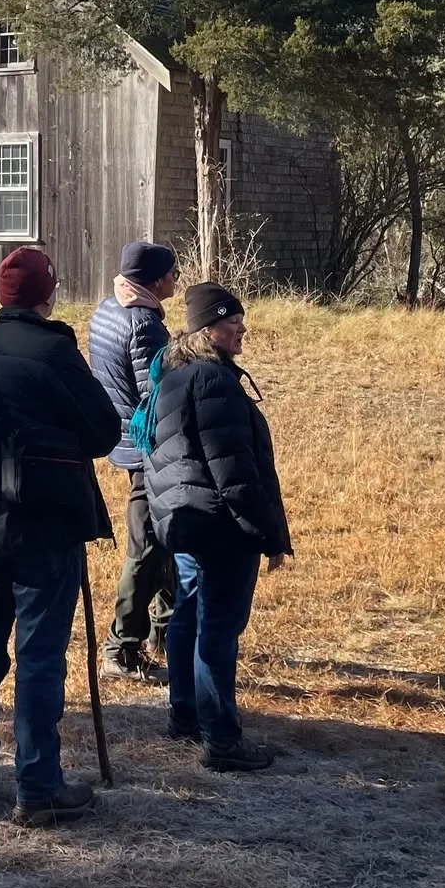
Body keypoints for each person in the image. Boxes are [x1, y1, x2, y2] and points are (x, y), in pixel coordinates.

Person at [0, 248, 121, 827]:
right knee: (40, 657)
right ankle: (37, 787)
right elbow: (103, 430)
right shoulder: (53, 351)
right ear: (47, 295)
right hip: (44, 527)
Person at [145, 282, 291, 774]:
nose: (242, 329)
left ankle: (184, 713)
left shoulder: (175, 373)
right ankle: (222, 739)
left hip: (186, 521)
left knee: (187, 614)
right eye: (233, 321)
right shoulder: (213, 380)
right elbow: (234, 472)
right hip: (219, 526)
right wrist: (267, 533)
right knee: (218, 629)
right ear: (210, 329)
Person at [87, 241, 180, 681]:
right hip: (147, 448)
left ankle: (165, 631)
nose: (176, 280)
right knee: (146, 547)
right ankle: (120, 648)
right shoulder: (144, 324)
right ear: (157, 281)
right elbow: (155, 396)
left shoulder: (108, 307)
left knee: (164, 537)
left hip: (122, 439)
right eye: (172, 273)